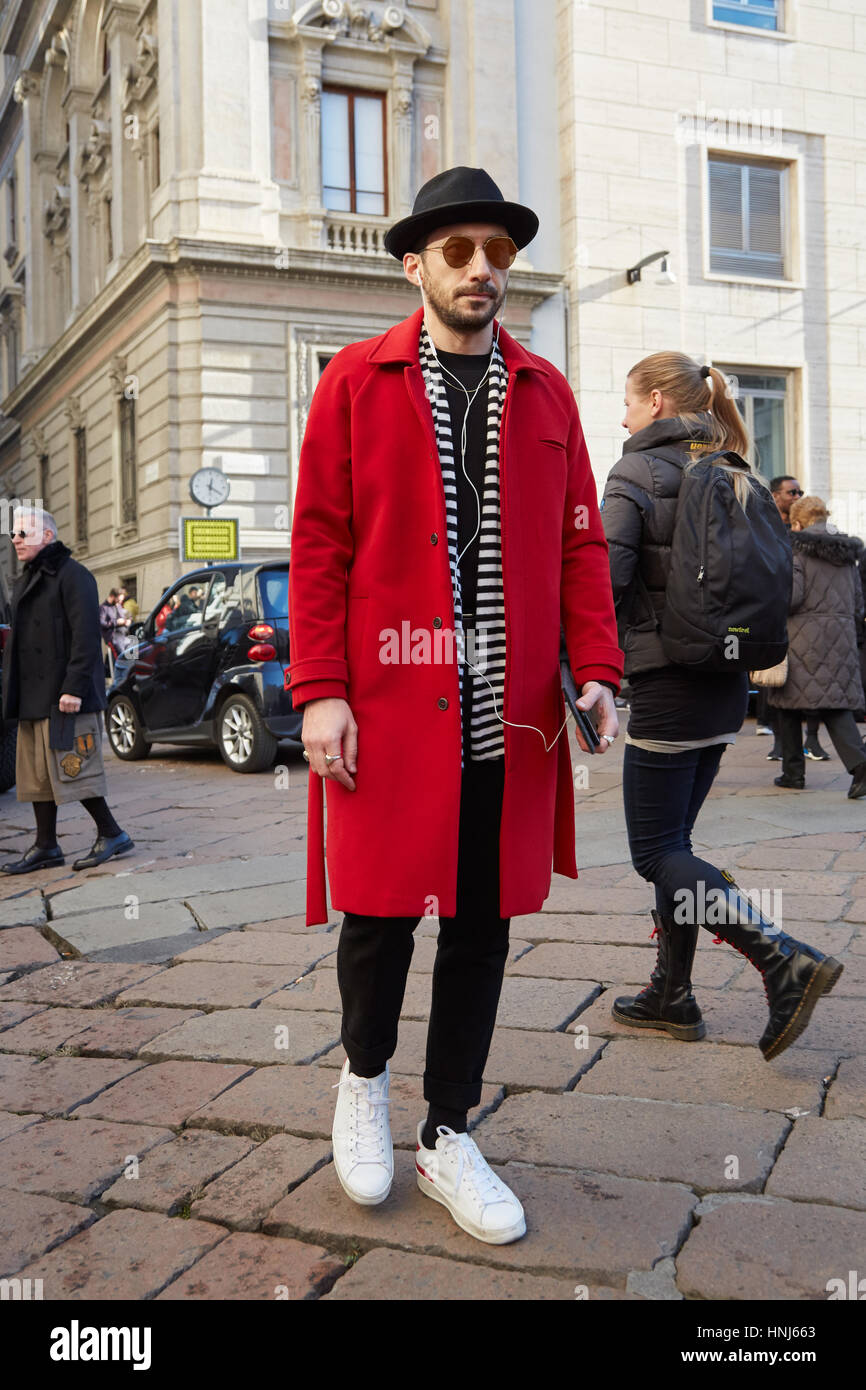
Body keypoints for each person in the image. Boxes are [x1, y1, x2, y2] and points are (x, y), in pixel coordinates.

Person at [288, 166, 623, 1244]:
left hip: (508, 711)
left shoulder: (546, 391)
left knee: (481, 924)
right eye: (458, 251)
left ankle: (446, 1130)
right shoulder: (352, 380)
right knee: (378, 912)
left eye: (497, 252)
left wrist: (598, 667)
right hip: (387, 703)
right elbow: (321, 546)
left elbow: (579, 540)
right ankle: (362, 1079)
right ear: (415, 265)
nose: (482, 269)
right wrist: (321, 691)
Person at [600, 353, 842, 1057]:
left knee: (655, 852)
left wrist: (587, 665)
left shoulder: (636, 472)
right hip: (726, 685)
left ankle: (781, 958)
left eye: (626, 400)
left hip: (667, 682)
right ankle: (671, 996)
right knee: (677, 844)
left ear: (653, 401)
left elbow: (607, 579)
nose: (621, 417)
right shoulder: (739, 468)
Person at [1, 509, 134, 874]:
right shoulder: (24, 579)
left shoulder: (75, 576)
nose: (15, 539)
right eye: (13, 534)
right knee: (37, 775)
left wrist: (74, 687)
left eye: (23, 532)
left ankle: (112, 833)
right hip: (33, 697)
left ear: (47, 535)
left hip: (66, 696)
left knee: (74, 768)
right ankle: (46, 845)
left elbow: (87, 637)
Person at [768, 495, 866, 798]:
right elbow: (858, 602)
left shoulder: (796, 552)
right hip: (841, 640)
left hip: (802, 640)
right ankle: (854, 766)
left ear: (797, 523)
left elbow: (791, 598)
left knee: (786, 703)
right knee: (833, 704)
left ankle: (794, 773)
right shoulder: (847, 556)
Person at [768, 475, 831, 762]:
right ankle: (783, 745)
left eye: (799, 492)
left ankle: (804, 747)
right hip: (794, 622)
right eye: (791, 491)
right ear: (776, 495)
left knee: (795, 688)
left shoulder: (812, 546)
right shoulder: (769, 528)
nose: (796, 495)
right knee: (779, 683)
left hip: (801, 622)